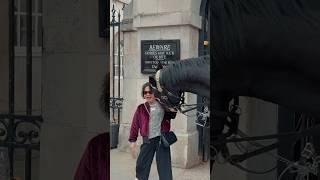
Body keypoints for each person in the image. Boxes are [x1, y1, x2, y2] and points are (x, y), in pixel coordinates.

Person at [129, 82, 177, 180]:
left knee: (165, 167)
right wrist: (132, 141)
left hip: (161, 141)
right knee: (141, 164)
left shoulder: (163, 105)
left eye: (150, 92)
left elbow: (173, 114)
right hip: (148, 141)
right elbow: (135, 125)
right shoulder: (141, 108)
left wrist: (172, 104)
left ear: (155, 92)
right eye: (145, 92)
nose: (147, 94)